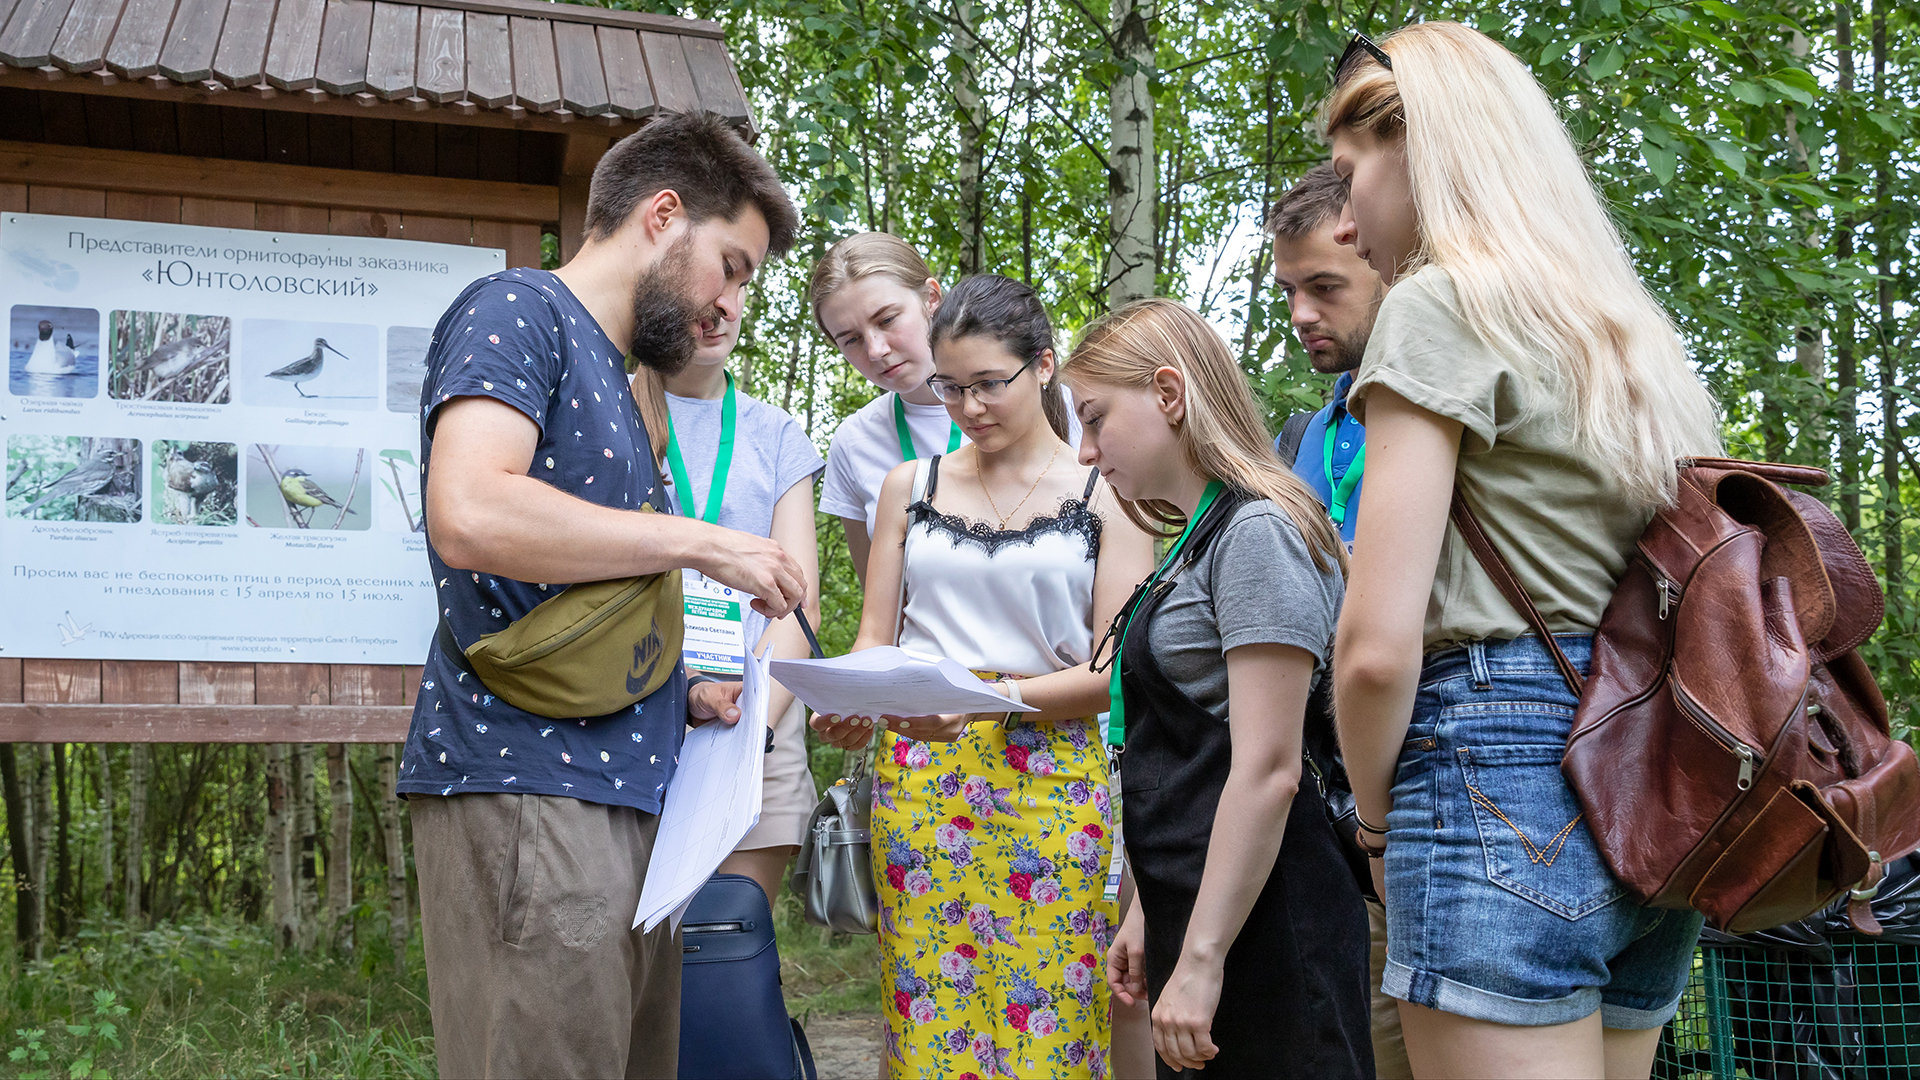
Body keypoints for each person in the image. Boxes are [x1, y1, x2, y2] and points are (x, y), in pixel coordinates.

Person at [1325, 23, 1721, 1079]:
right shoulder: (1626, 334)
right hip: (1655, 774)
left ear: (1419, 146)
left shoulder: (1438, 303)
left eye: (1348, 174)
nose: (1348, 226)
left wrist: (1371, 824)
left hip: (1495, 761)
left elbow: (1372, 647)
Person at [398, 111, 806, 1080]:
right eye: (733, 265)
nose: (727, 305)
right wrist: (704, 543)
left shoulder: (624, 384)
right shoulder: (518, 310)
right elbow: (469, 507)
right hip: (530, 792)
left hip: (631, 810)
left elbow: (574, 602)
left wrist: (684, 697)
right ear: (663, 215)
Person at [812, 275, 1156, 1080]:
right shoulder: (911, 486)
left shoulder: (1108, 494)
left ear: (1042, 367)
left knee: (1055, 1014)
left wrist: (986, 702)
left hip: (1054, 778)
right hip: (923, 777)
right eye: (951, 387)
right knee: (929, 1013)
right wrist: (856, 702)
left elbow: (1110, 673)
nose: (968, 407)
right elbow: (876, 638)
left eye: (988, 385)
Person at [1069, 298, 1373, 1078]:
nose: (1085, 450)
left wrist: (1202, 960)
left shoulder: (1256, 534)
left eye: (1096, 419)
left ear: (1170, 394)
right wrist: (1146, 914)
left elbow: (1268, 769)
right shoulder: (1192, 541)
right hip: (1197, 911)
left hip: (1269, 924)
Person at [1266, 162, 1409, 1079]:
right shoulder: (1312, 436)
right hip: (1334, 805)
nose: (1301, 314)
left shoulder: (1423, 411)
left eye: (1326, 287)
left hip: (1421, 794)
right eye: (1289, 291)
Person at [653, 310, 824, 900]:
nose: (722, 306)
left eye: (742, 280)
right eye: (711, 276)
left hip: (756, 723)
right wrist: (683, 692)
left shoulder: (775, 433)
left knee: (731, 946)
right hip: (629, 711)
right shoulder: (602, 412)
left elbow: (798, 607)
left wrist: (751, 725)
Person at [811, 233, 966, 585]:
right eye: (851, 339)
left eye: (887, 320)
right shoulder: (854, 442)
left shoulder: (1044, 405)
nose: (876, 350)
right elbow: (879, 605)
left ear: (932, 299)